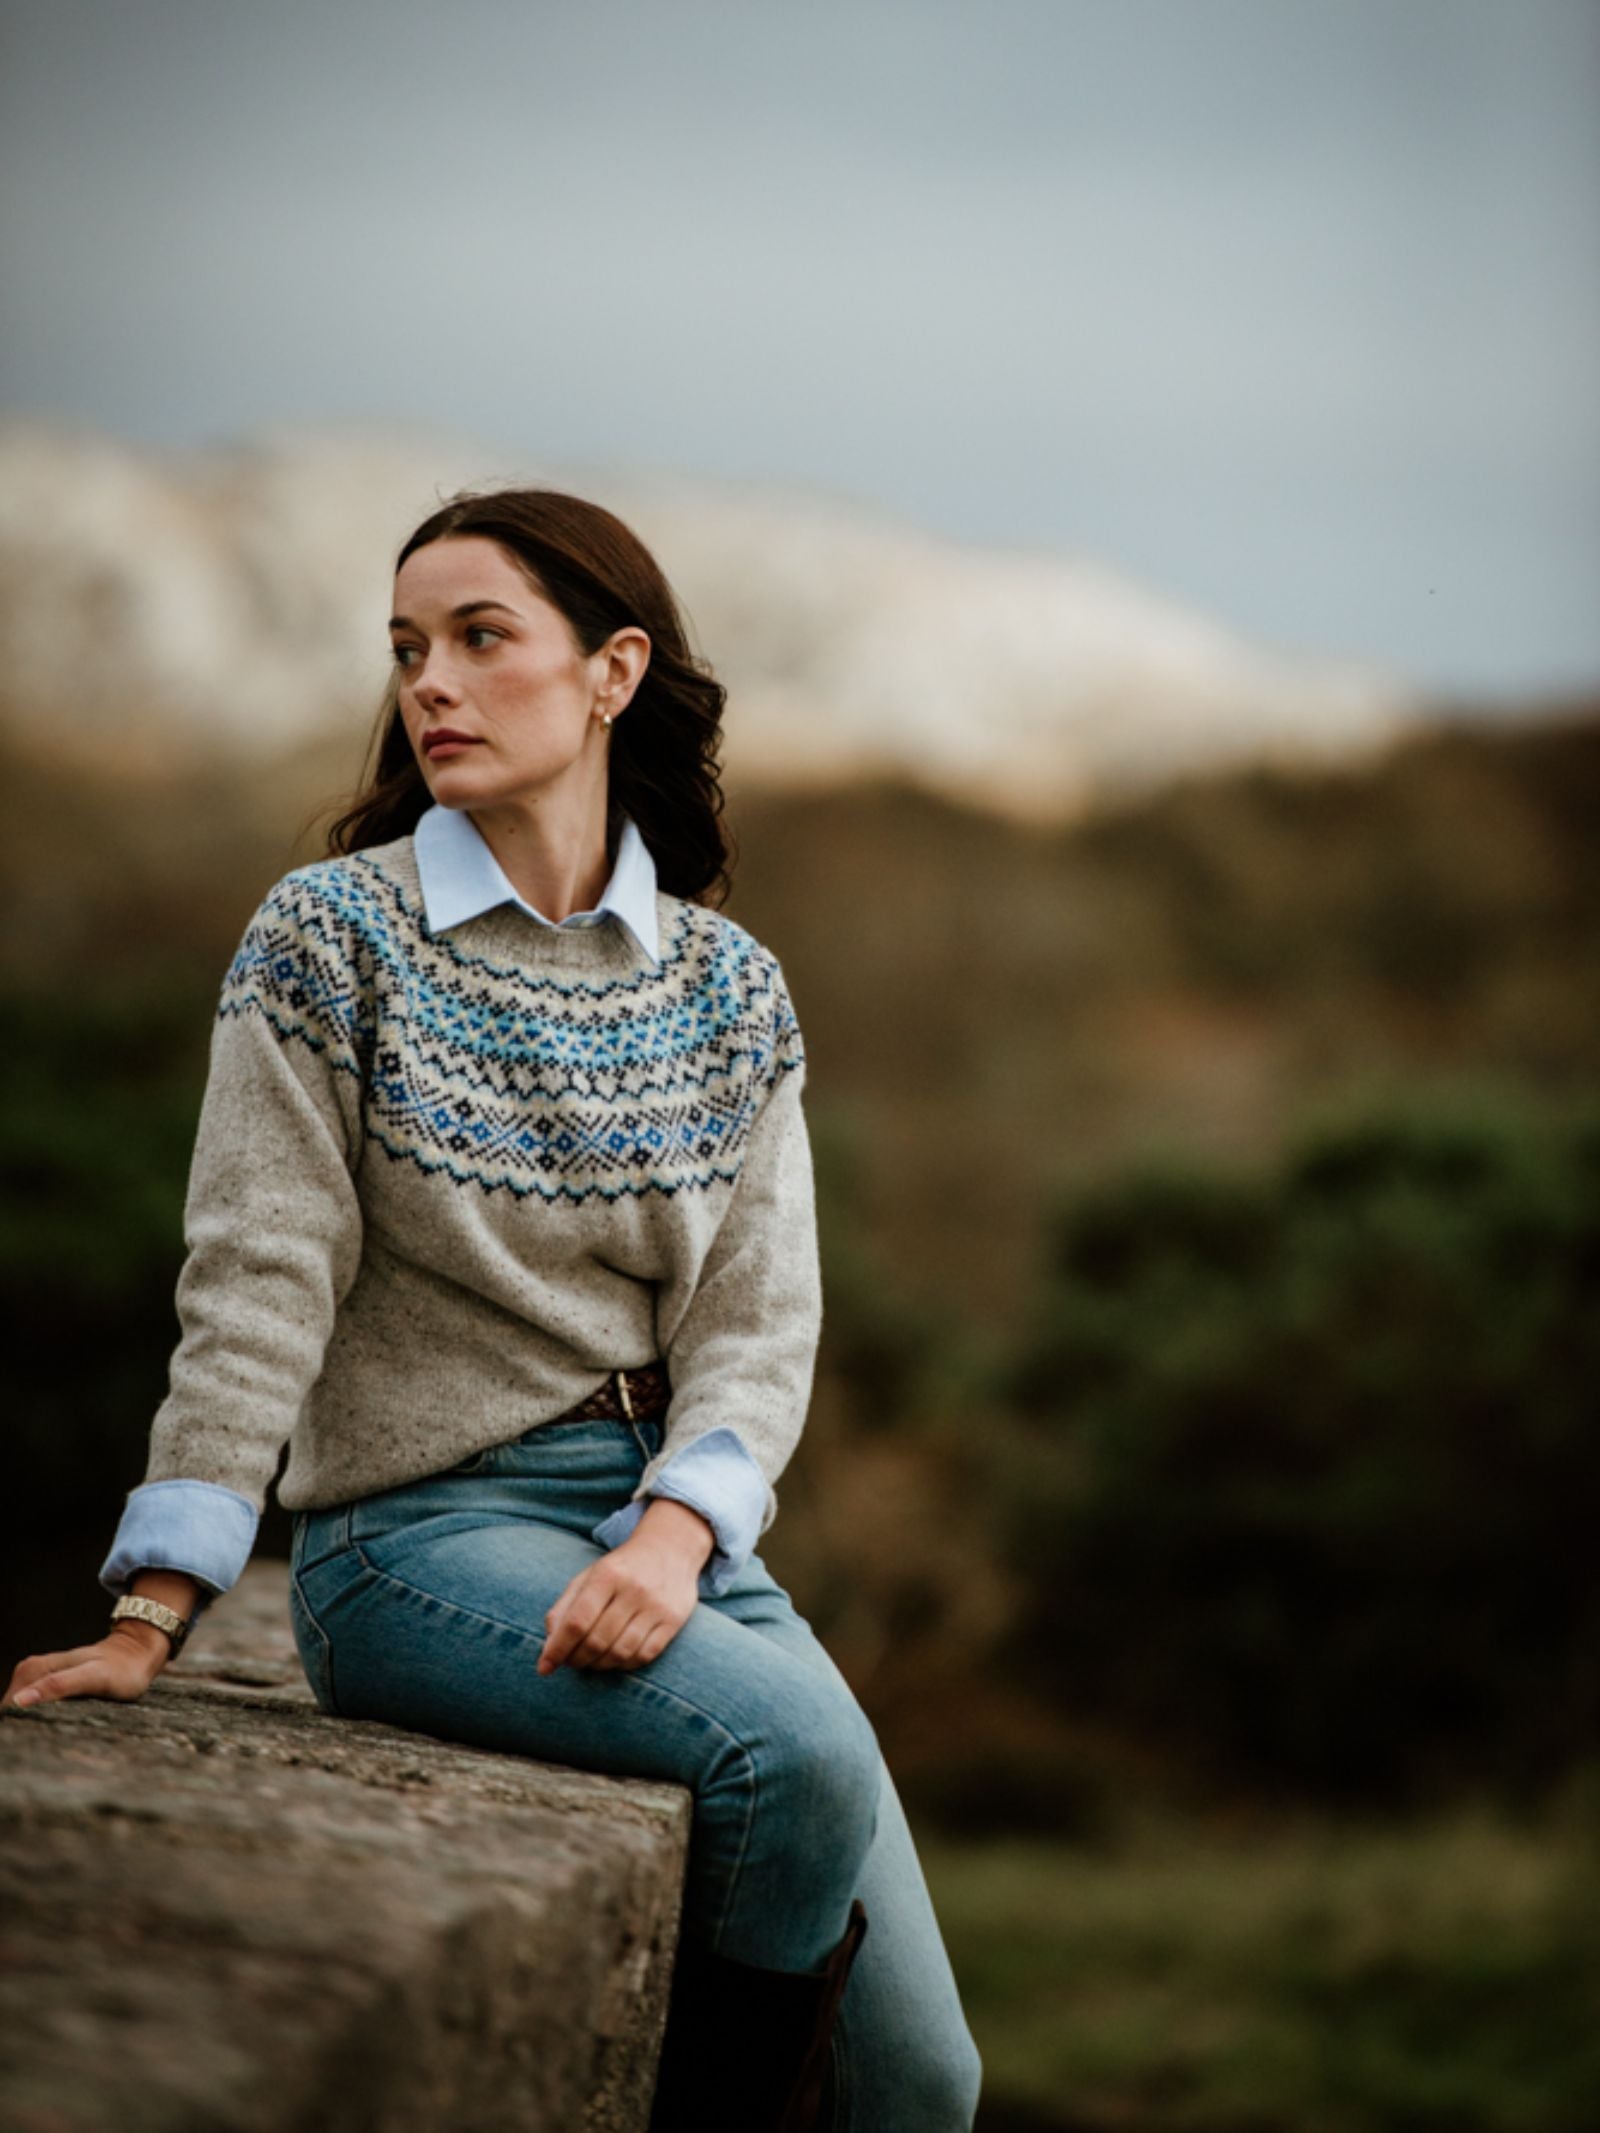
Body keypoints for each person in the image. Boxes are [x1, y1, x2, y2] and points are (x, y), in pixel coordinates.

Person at [5, 487, 982, 2133]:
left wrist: (677, 1534)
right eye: (406, 649)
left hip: (672, 1533)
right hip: (418, 1542)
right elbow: (256, 1275)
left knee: (928, 2085)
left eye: (479, 638)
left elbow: (760, 1317)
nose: (430, 684)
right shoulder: (332, 938)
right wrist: (155, 1604)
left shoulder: (729, 984)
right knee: (792, 1763)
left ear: (612, 673)